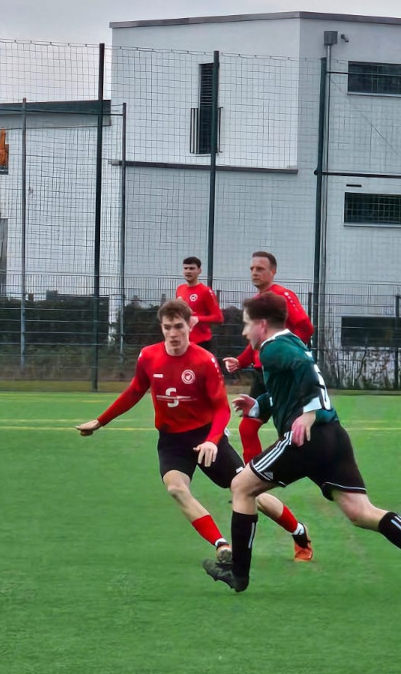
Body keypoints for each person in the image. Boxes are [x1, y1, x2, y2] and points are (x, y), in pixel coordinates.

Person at [75, 299, 311, 566]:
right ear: (161, 328)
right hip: (172, 441)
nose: (173, 333)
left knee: (248, 492)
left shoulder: (204, 361)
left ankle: (299, 532)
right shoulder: (148, 357)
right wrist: (100, 421)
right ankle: (222, 545)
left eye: (178, 326)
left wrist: (212, 441)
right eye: (167, 327)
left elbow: (222, 409)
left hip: (206, 439)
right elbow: (134, 391)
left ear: (191, 325)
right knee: (176, 489)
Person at [204, 292, 401, 592]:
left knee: (241, 486)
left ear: (262, 324)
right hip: (333, 435)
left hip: (306, 438)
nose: (244, 332)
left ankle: (238, 575)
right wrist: (257, 406)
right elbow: (289, 388)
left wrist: (308, 414)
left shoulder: (273, 349)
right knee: (360, 512)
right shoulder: (291, 341)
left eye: (246, 325)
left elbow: (305, 373)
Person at [222, 251, 314, 463]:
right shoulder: (257, 301)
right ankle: (251, 479)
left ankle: (320, 467)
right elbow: (256, 342)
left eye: (260, 269)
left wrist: (289, 356)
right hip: (261, 375)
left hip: (281, 375)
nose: (255, 273)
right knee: (247, 427)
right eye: (252, 269)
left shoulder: (282, 295)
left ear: (273, 271)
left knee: (293, 431)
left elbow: (306, 328)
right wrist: (241, 361)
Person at [175, 256, 223, 354]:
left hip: (201, 342)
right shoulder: (180, 289)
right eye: (186, 268)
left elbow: (219, 318)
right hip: (183, 341)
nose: (188, 271)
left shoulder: (206, 291)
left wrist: (197, 319)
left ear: (199, 271)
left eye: (192, 269)